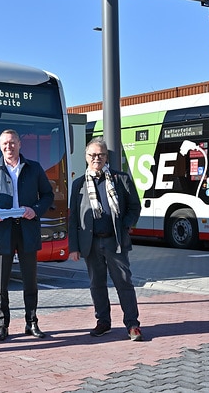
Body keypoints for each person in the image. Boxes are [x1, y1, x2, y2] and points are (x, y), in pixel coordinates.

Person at [0, 129, 54, 341]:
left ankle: (31, 322)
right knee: (0, 284)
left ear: (20, 144)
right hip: (2, 231)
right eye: (4, 144)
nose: (8, 147)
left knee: (30, 281)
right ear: (0, 146)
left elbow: (48, 195)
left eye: (12, 143)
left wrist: (35, 210)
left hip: (28, 230)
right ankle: (3, 325)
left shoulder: (34, 168)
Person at [68, 137, 143, 341]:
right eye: (92, 155)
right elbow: (74, 217)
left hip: (115, 241)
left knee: (124, 283)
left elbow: (135, 207)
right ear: (86, 157)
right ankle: (103, 322)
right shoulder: (78, 185)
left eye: (100, 154)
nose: (96, 158)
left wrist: (125, 225)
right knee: (97, 285)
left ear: (106, 157)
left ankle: (132, 324)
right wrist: (73, 247)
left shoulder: (120, 179)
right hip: (90, 243)